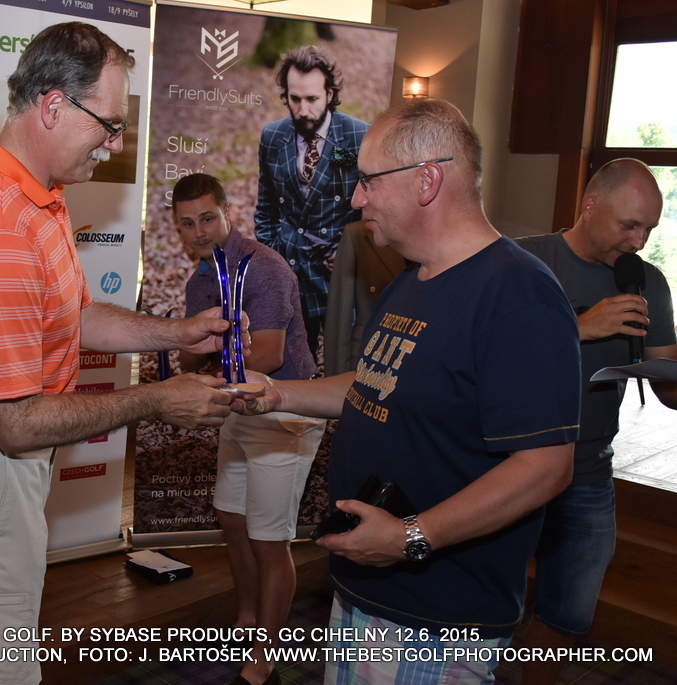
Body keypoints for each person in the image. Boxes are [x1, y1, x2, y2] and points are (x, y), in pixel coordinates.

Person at [0, 23, 239, 685]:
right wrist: (158, 399)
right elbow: (17, 422)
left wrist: (179, 333)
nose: (115, 145)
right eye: (109, 125)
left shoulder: (35, 195)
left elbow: (75, 316)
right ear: (53, 106)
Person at [235, 98, 582, 684]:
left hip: (435, 619)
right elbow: (375, 383)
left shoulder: (519, 294)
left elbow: (546, 466)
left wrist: (410, 538)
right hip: (369, 588)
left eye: (368, 180)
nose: (355, 198)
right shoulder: (411, 280)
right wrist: (278, 393)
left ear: (427, 180)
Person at [516, 158, 677, 685]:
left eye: (649, 229)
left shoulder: (647, 282)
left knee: (567, 616)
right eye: (628, 225)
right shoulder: (521, 261)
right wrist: (578, 328)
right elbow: (478, 356)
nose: (639, 241)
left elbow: (667, 387)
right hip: (506, 466)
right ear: (589, 207)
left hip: (587, 474)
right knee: (481, 604)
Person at [174, 173, 326, 685]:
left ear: (227, 213)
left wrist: (207, 364)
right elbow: (187, 354)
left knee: (268, 539)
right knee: (232, 519)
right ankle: (247, 621)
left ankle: (264, 658)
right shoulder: (200, 280)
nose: (199, 231)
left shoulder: (263, 267)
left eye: (207, 218)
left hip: (285, 410)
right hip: (238, 409)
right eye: (187, 223)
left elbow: (269, 355)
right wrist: (192, 350)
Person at [255, 45, 369, 360]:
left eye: (312, 99)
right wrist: (273, 256)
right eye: (295, 99)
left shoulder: (360, 136)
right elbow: (266, 208)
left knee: (343, 362)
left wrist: (351, 252)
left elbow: (373, 206)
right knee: (293, 362)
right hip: (291, 269)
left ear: (329, 94)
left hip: (340, 273)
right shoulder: (272, 137)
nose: (303, 110)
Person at [322, 219, 406, 376]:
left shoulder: (447, 237)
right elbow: (340, 314)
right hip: (368, 363)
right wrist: (335, 375)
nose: (358, 206)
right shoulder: (358, 234)